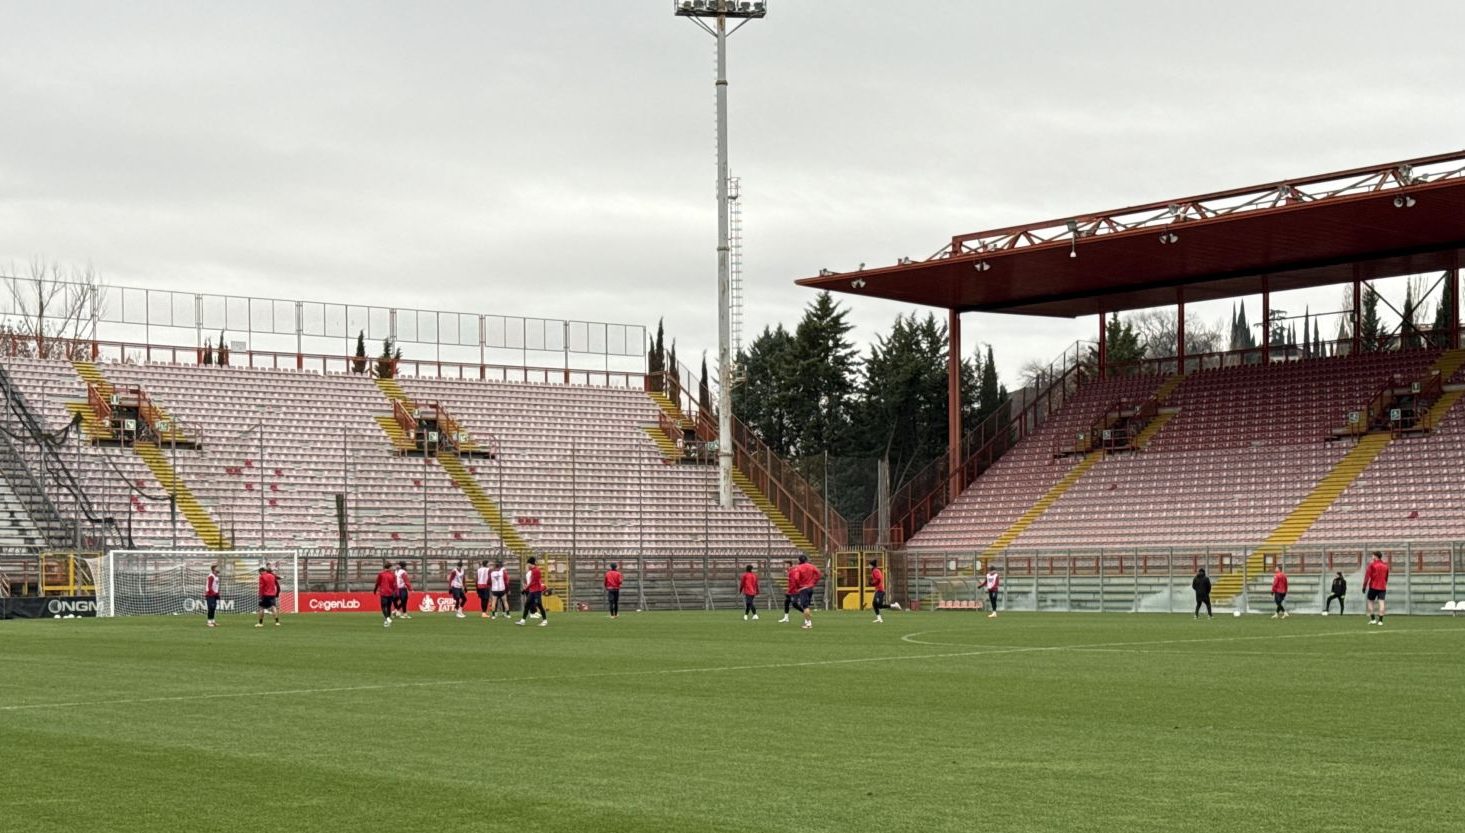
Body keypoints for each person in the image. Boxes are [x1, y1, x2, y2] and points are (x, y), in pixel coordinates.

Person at [790, 554, 821, 630]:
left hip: (803, 588)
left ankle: (809, 623)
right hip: (810, 588)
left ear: (799, 560)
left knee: (805, 606)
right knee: (807, 606)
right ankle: (807, 622)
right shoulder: (812, 566)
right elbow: (818, 574)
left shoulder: (798, 568)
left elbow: (796, 578)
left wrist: (798, 586)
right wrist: (814, 582)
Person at [517, 557, 548, 626]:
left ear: (530, 563)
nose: (527, 566)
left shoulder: (536, 571)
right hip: (532, 591)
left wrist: (525, 589)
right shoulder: (533, 570)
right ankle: (523, 621)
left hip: (537, 591)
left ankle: (545, 621)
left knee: (539, 605)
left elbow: (533, 582)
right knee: (527, 604)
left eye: (528, 564)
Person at [1364, 551, 1390, 626]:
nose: (1372, 557)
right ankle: (1380, 621)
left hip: (1373, 586)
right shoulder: (1385, 565)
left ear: (1375, 556)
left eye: (1372, 555)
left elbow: (1367, 576)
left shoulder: (1372, 565)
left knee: (1370, 601)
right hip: (1382, 587)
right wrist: (1384, 584)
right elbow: (1386, 577)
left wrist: (1364, 586)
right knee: (1381, 602)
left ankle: (1373, 619)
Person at [374, 561, 397, 628]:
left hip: (383, 592)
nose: (392, 568)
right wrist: (394, 592)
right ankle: (387, 621)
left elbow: (378, 583)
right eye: (391, 567)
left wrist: (375, 590)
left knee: (383, 607)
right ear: (389, 567)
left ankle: (387, 618)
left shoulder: (381, 574)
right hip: (390, 593)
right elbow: (394, 585)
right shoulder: (393, 575)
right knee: (389, 607)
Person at [777, 559, 796, 624]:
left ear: (789, 565)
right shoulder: (789, 570)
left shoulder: (792, 571)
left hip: (794, 590)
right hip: (791, 589)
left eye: (786, 564)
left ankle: (806, 614)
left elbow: (793, 582)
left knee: (795, 604)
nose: (785, 566)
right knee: (786, 602)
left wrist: (789, 590)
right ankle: (786, 618)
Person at [869, 559, 886, 624]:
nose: (868, 566)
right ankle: (879, 618)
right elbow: (878, 579)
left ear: (872, 565)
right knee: (874, 604)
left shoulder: (875, 571)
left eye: (869, 565)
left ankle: (894, 605)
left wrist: (873, 583)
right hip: (878, 590)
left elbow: (878, 579)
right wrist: (873, 583)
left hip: (880, 590)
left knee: (879, 605)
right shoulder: (875, 570)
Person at [204, 563, 221, 628]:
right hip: (210, 594)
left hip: (214, 594)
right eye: (217, 568)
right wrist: (213, 593)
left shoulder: (216, 576)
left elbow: (216, 586)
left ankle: (213, 621)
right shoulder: (211, 576)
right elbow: (209, 586)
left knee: (213, 608)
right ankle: (209, 622)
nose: (219, 569)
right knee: (210, 608)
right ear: (214, 569)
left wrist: (217, 593)